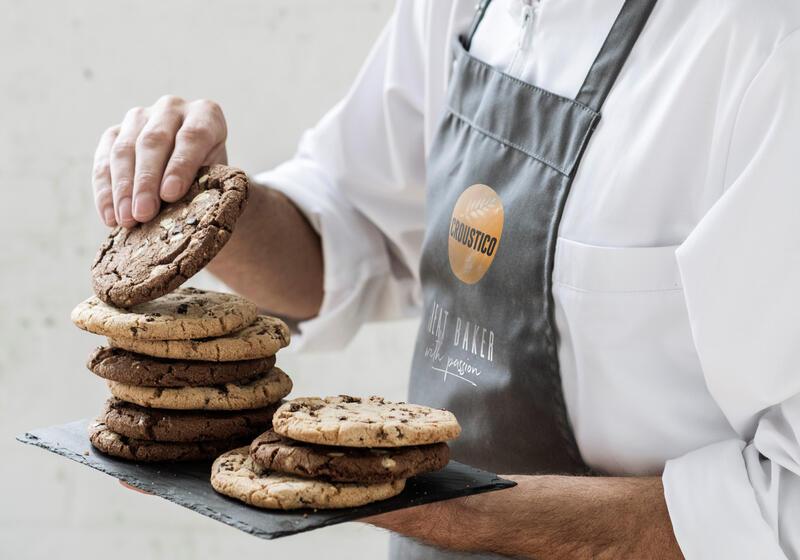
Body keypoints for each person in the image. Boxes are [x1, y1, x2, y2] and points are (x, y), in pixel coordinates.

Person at [90, 0, 800, 558]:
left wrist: (388, 492)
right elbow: (347, 227)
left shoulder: (766, 45)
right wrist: (209, 205)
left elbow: (786, 510)